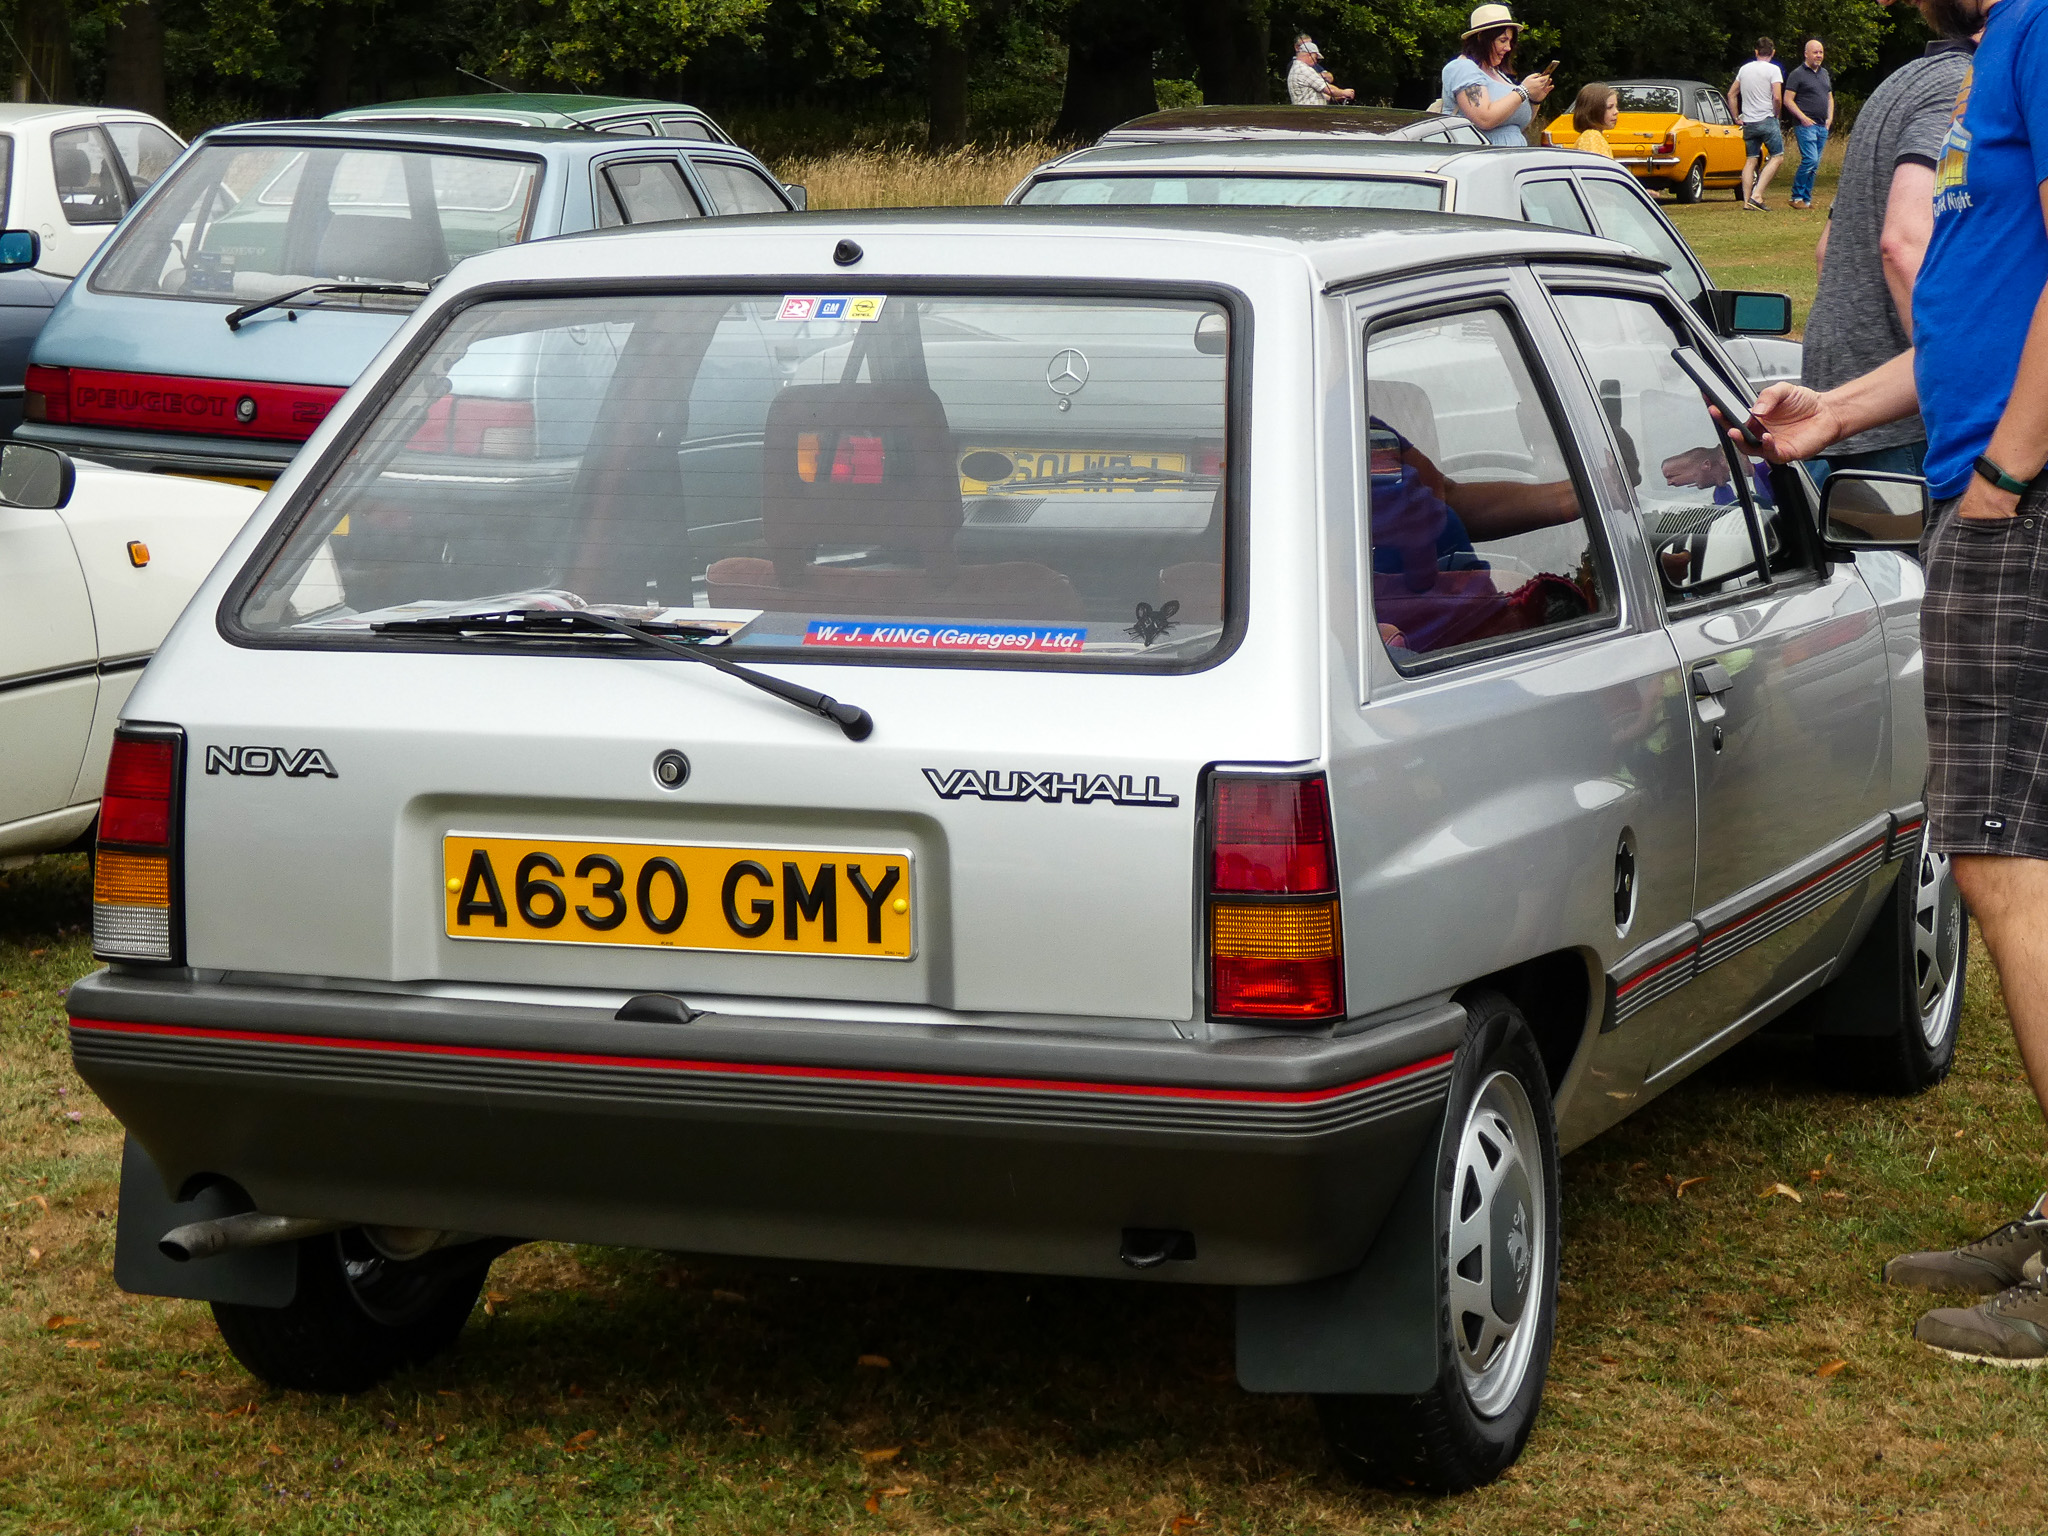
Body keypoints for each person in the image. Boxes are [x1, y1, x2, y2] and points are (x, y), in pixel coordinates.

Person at [1738, 0, 2048, 1368]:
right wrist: (1842, 411)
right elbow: (1989, 303)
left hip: (2021, 505)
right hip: (1996, 482)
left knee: (2001, 864)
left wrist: (2007, 474)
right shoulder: (1996, 58)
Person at [1800, 17, 1977, 483]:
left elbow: (1826, 250)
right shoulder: (1963, 86)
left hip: (1840, 402)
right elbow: (1903, 243)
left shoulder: (1900, 81)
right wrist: (1962, 390)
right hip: (1903, 424)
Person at [1442, 4, 1553, 147]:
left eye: (1510, 41)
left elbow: (1518, 125)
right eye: (1502, 40)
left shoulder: (1498, 74)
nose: (1508, 48)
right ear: (1482, 38)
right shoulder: (1463, 68)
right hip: (1480, 160)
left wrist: (1535, 100)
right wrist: (1523, 90)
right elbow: (1484, 119)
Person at [1728, 36, 1786, 208]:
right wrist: (1776, 113)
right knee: (1777, 157)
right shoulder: (1774, 70)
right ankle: (1757, 195)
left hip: (1749, 122)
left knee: (1750, 159)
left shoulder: (1744, 70)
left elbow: (1731, 94)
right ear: (1773, 52)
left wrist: (1736, 117)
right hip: (1767, 119)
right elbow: (1777, 96)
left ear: (1756, 52)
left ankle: (1746, 202)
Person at [1783, 38, 1836, 207]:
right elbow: (1788, 100)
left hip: (1822, 125)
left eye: (1821, 52)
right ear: (1806, 54)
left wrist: (1829, 118)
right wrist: (1803, 118)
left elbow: (1829, 97)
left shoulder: (1824, 74)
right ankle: (1796, 197)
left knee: (1815, 165)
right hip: (1805, 125)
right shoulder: (1797, 74)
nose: (1819, 56)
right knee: (1810, 159)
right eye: (1815, 52)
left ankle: (1806, 199)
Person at [1288, 36, 1354, 105]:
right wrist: (1344, 92)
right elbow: (1329, 89)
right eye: (1315, 58)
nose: (1316, 61)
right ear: (1309, 55)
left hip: (1304, 112)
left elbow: (1312, 95)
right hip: (1311, 113)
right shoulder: (1304, 70)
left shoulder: (1295, 68)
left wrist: (1336, 98)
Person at [1571, 82, 1619, 156]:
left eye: (1616, 106)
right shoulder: (1592, 137)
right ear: (1593, 110)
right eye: (1609, 107)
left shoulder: (1590, 135)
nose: (1616, 112)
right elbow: (1600, 166)